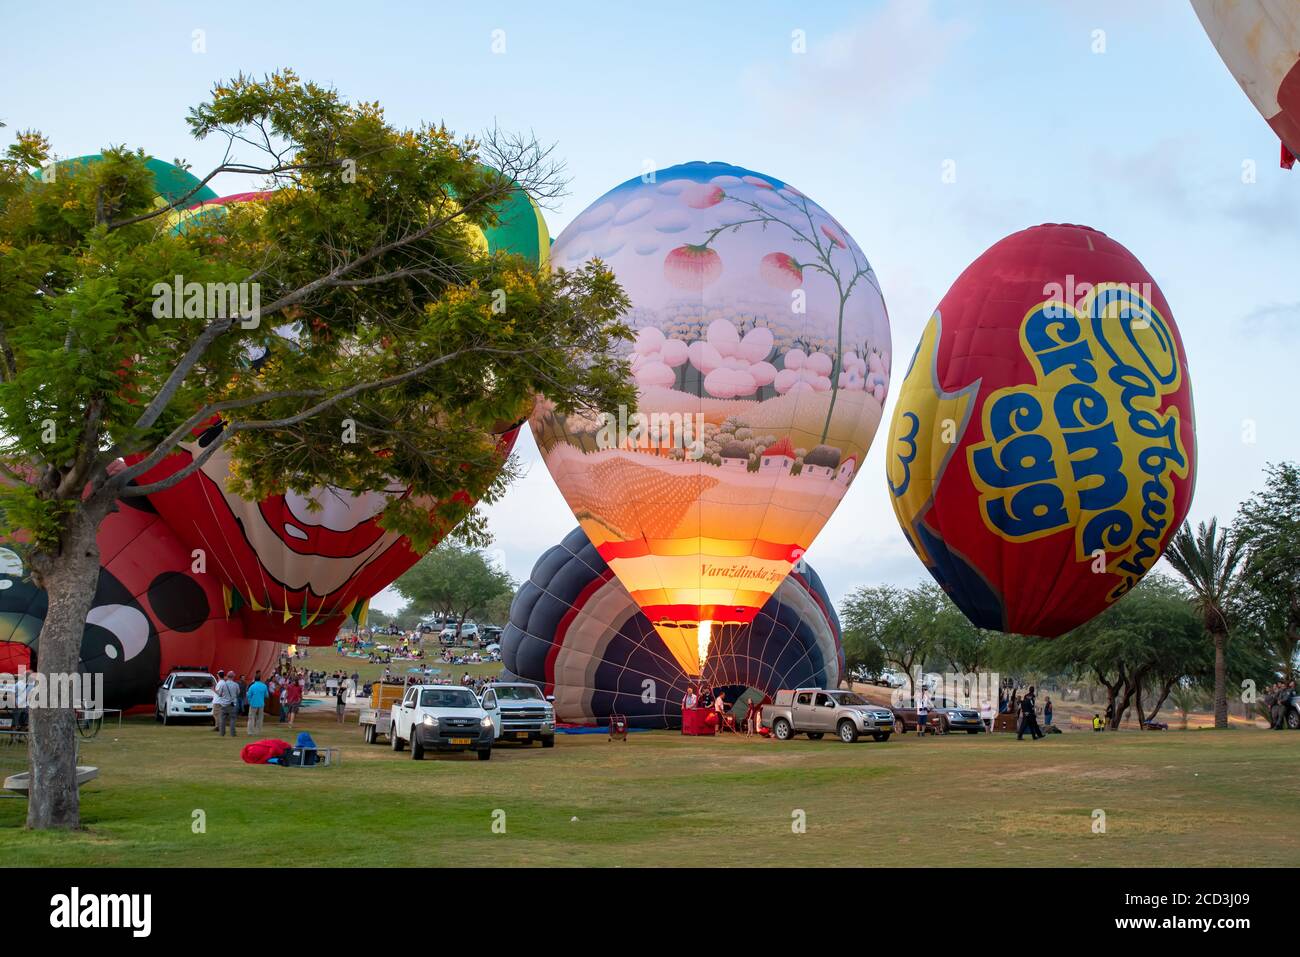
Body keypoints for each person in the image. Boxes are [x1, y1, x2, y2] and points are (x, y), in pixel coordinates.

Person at [214, 670, 239, 737]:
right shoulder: (236, 685)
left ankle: (222, 733)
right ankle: (232, 733)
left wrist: (214, 690)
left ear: (227, 676)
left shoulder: (223, 684)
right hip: (232, 704)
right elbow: (238, 693)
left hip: (223, 704)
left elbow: (219, 694)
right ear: (233, 677)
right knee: (232, 719)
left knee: (222, 720)